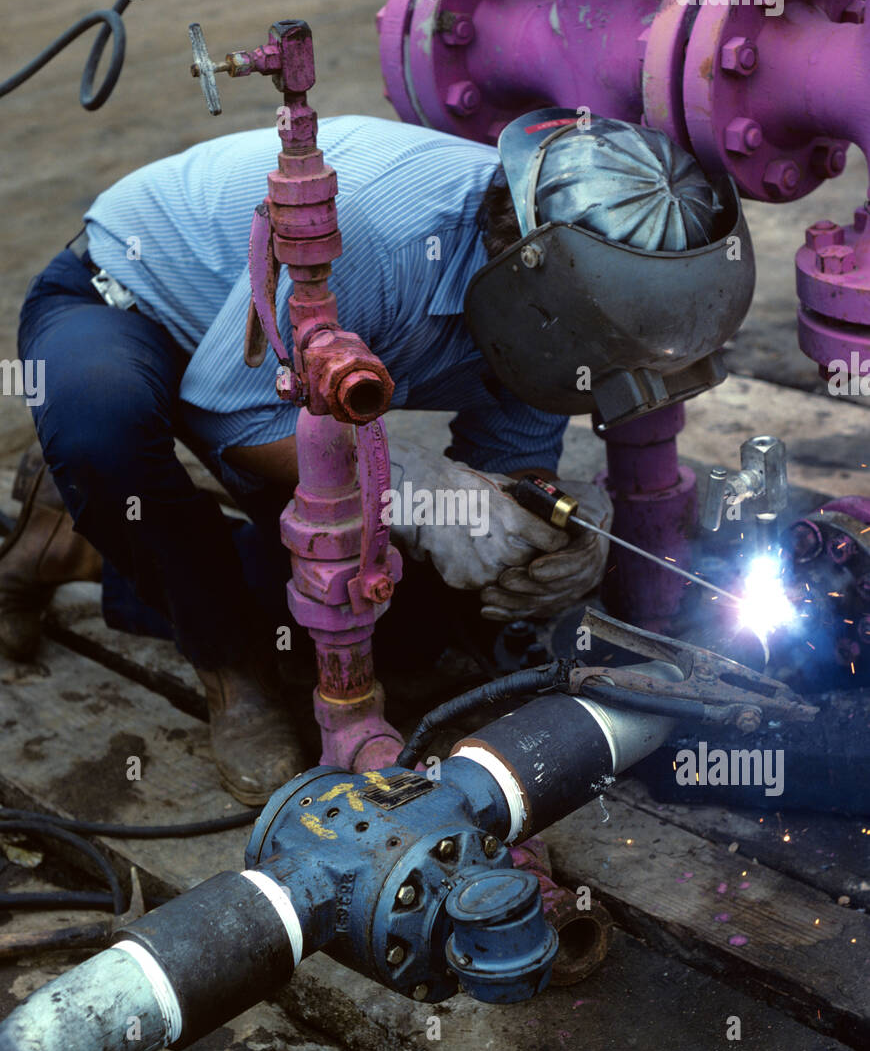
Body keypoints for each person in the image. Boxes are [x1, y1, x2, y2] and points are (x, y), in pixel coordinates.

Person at [1, 109, 752, 803]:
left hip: (280, 380)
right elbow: (227, 406)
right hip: (131, 303)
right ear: (536, 285)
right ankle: (233, 671)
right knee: (102, 431)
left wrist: (541, 533)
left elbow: (510, 467)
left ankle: (73, 547)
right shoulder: (378, 233)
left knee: (411, 632)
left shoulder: (561, 320)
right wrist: (414, 488)